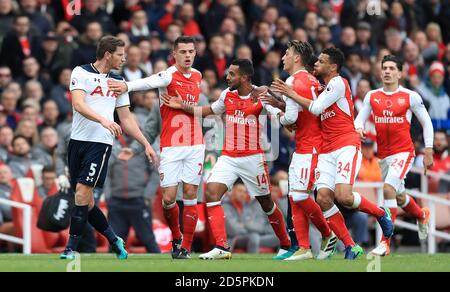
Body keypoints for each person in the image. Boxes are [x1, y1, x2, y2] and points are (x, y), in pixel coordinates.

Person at [271, 47, 394, 260]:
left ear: (333, 67)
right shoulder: (322, 88)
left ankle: (381, 213)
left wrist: (290, 93)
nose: (316, 63)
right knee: (324, 199)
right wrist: (281, 104)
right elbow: (311, 113)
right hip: (326, 150)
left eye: (321, 61)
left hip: (346, 145)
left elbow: (316, 109)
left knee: (343, 196)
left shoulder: (339, 82)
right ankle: (350, 246)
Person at [162, 59, 291, 260]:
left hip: (253, 158)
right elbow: (209, 111)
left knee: (266, 202)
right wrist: (183, 106)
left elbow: (281, 112)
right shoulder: (227, 94)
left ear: (245, 77)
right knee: (211, 192)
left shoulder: (261, 96)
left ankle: (285, 244)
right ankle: (222, 246)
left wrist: (284, 115)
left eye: (232, 74)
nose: (227, 77)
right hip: (229, 157)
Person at [60, 36, 157, 260]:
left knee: (83, 193)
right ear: (107, 54)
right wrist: (103, 119)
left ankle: (70, 248)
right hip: (77, 142)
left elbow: (126, 118)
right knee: (86, 200)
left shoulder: (118, 82)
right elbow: (78, 104)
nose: (124, 59)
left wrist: (145, 143)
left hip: (100, 144)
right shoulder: (80, 72)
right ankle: (114, 239)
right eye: (120, 55)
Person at [108, 36, 205, 259]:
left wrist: (185, 106)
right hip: (170, 146)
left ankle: (185, 248)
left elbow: (199, 111)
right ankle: (177, 238)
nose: (188, 55)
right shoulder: (169, 75)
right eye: (183, 52)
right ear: (174, 53)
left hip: (195, 144)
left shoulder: (198, 76)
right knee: (169, 198)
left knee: (190, 194)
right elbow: (149, 82)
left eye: (191, 51)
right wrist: (126, 86)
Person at [354, 55, 434, 256]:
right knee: (398, 196)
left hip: (403, 152)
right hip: (384, 156)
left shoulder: (410, 96)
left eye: (391, 68)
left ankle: (385, 242)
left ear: (400, 73)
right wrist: (359, 128)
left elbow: (426, 122)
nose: (387, 71)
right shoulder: (372, 96)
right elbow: (359, 119)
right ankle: (421, 213)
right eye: (384, 68)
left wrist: (429, 150)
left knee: (388, 188)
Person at [265, 41, 337, 261]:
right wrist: (279, 105)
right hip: (307, 144)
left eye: (287, 54)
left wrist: (274, 111)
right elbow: (303, 113)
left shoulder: (293, 80)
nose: (283, 57)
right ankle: (304, 248)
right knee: (295, 197)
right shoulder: (312, 79)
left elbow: (292, 119)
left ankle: (328, 232)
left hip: (311, 147)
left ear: (297, 58)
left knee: (298, 195)